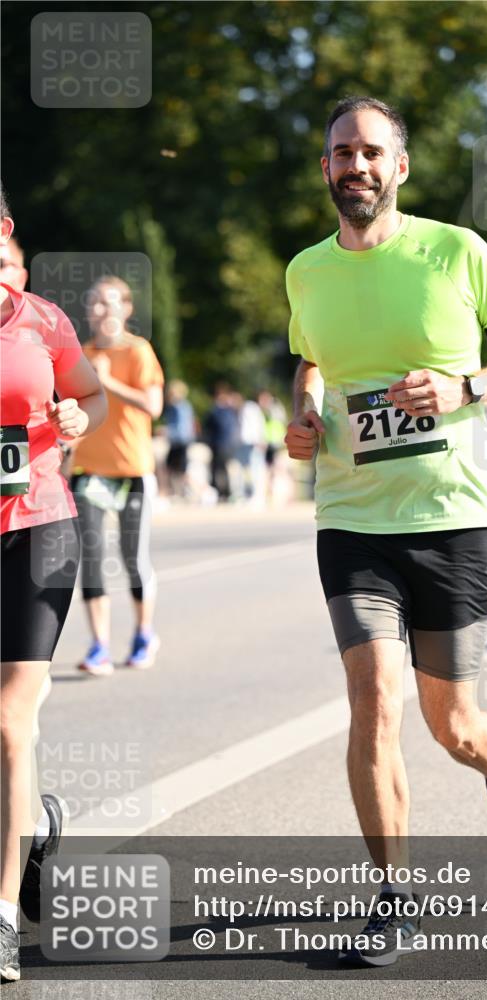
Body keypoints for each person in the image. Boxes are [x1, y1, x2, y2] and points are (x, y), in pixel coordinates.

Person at [284, 96, 487, 968]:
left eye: (369, 152)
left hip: (452, 522)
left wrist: (464, 388)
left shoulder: (456, 250)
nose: (353, 166)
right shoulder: (305, 272)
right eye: (339, 154)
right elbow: (311, 358)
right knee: (373, 704)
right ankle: (393, 898)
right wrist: (303, 410)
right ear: (325, 168)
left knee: (456, 726)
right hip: (351, 519)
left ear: (398, 167)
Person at [0, 185, 107, 981]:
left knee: (11, 722)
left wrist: (78, 417)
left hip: (38, 528)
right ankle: (33, 822)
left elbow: (92, 395)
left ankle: (0, 917)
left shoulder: (40, 320)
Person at [70, 275, 164, 676]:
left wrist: (106, 382)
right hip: (89, 470)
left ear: (126, 309)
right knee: (91, 561)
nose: (101, 311)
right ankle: (99, 646)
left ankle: (144, 633)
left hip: (131, 470)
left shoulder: (138, 351)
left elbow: (153, 406)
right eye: (94, 303)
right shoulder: (80, 354)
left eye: (109, 303)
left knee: (131, 559)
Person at [203, 383, 240, 502]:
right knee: (223, 469)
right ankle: (225, 492)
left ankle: (220, 492)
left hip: (219, 444)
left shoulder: (216, 411)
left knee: (217, 469)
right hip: (228, 444)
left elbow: (208, 427)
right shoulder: (231, 411)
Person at [163, 379, 196, 497]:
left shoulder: (178, 407)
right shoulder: (186, 406)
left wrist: (167, 432)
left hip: (179, 441)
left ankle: (187, 491)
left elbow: (180, 427)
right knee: (179, 468)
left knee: (176, 469)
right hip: (183, 441)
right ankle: (180, 491)